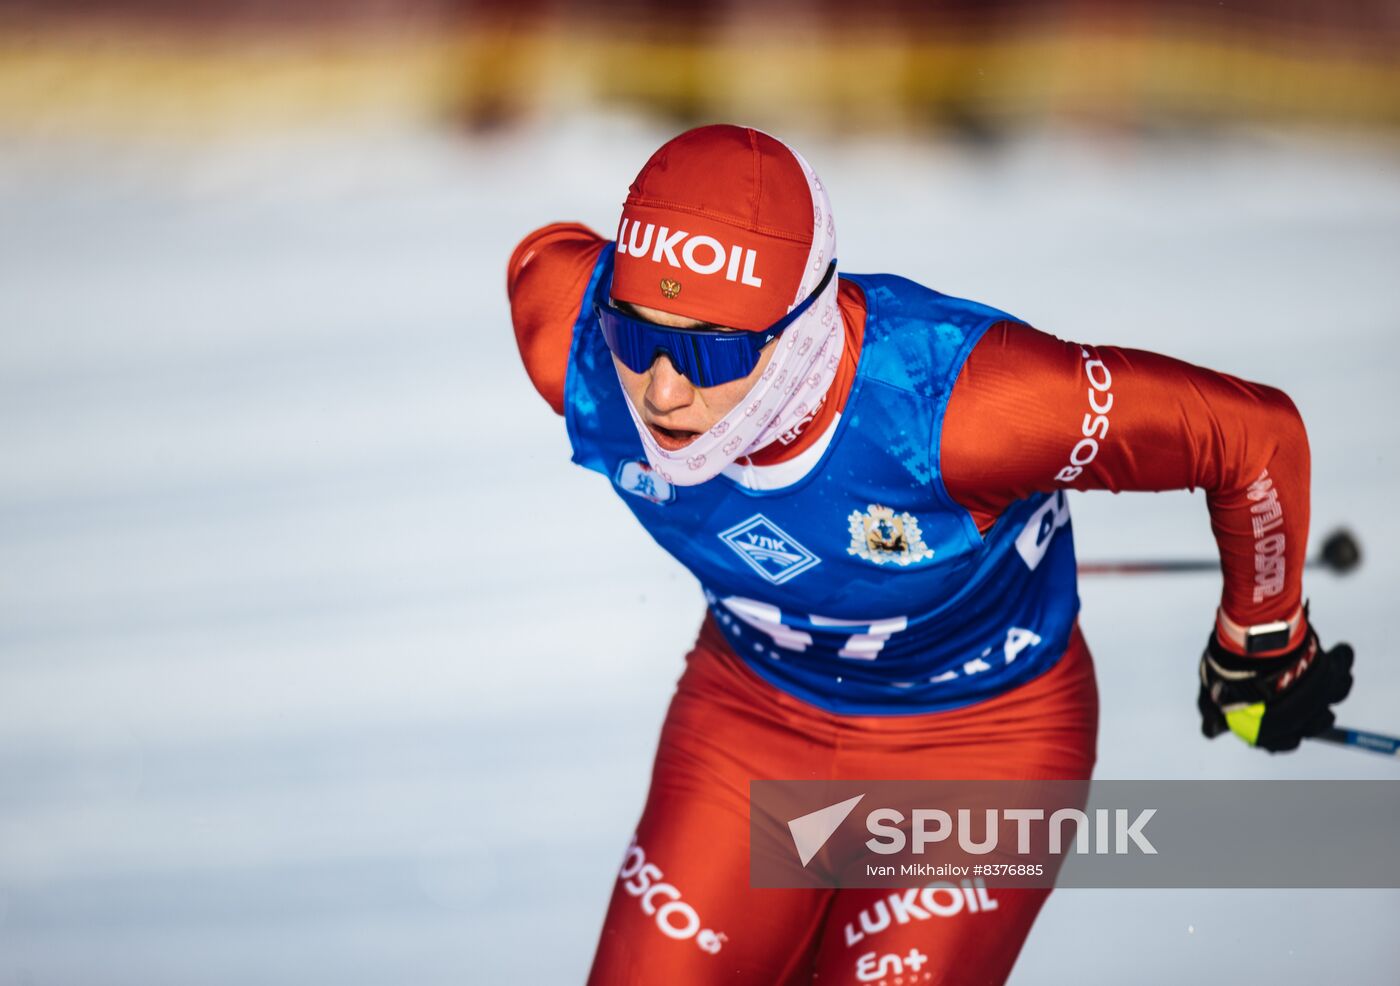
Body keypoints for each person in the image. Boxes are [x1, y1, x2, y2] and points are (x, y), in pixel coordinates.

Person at [505, 124, 1354, 985]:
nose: (660, 388)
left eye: (710, 348)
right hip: (752, 728)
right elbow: (545, 259)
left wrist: (1265, 640)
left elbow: (1252, 437)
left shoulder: (964, 410)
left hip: (979, 749)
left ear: (802, 322)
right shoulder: (569, 339)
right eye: (636, 330)